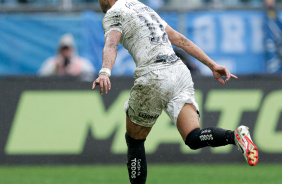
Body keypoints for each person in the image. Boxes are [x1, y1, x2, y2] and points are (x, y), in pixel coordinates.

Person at [92, 0, 259, 183]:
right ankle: (235, 136)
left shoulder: (113, 13)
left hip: (153, 75)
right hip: (178, 71)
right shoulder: (142, 7)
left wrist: (104, 72)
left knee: (135, 140)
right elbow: (180, 39)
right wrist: (212, 64)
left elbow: (111, 44)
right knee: (193, 137)